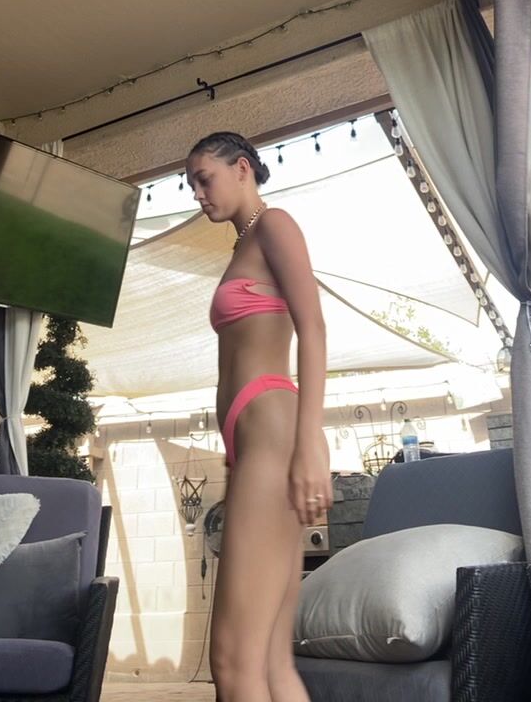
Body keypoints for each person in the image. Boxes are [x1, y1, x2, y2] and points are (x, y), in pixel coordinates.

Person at [185, 131, 331, 702]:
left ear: (242, 168)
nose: (198, 194)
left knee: (232, 662)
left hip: (273, 430)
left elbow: (313, 328)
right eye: (192, 184)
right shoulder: (242, 244)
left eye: (205, 179)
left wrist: (310, 443)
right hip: (251, 440)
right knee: (270, 663)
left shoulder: (275, 225)